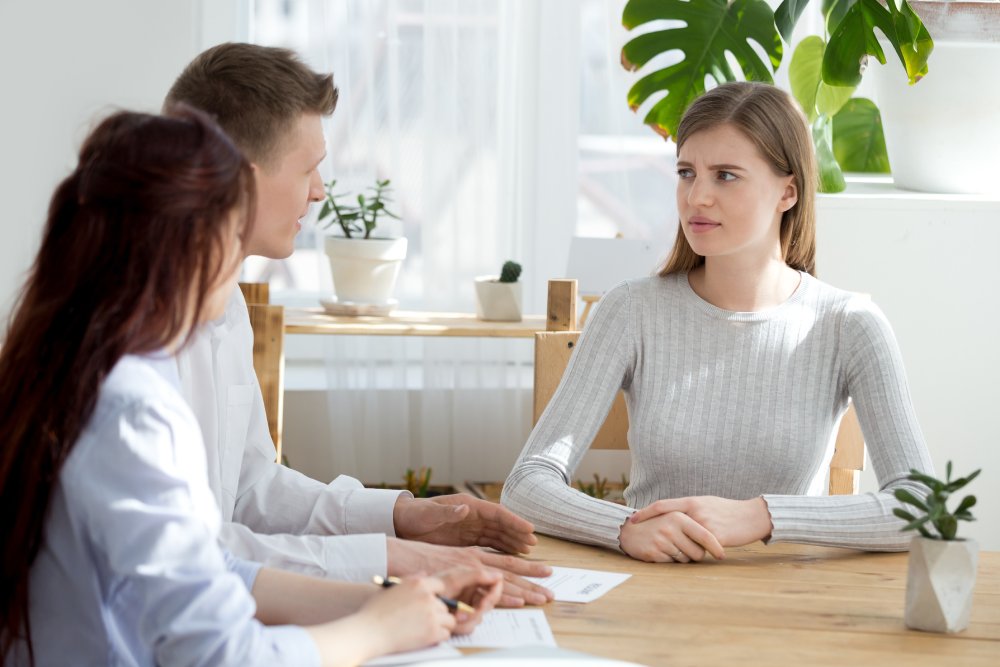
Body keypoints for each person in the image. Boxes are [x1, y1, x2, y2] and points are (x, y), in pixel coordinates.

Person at [0, 108, 502, 667]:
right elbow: (221, 655)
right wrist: (376, 631)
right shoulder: (131, 407)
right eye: (235, 232)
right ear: (197, 243)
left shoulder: (84, 359)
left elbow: (212, 572)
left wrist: (388, 603)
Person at [164, 42, 552, 604]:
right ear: (240, 181)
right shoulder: (144, 335)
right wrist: (390, 560)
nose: (320, 190)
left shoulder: (227, 305)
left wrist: (399, 517)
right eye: (308, 168)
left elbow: (248, 488)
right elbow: (189, 554)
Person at [501, 81, 935, 563]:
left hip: (788, 600)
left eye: (726, 176)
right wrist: (623, 527)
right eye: (687, 173)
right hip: (649, 590)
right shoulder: (631, 311)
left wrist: (763, 516)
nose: (697, 197)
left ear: (787, 192)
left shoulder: (848, 324)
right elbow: (526, 484)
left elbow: (924, 509)